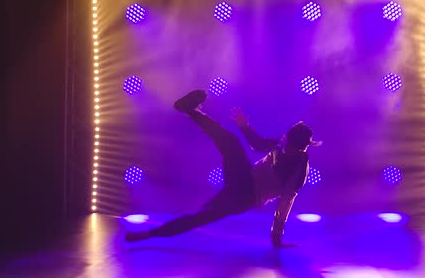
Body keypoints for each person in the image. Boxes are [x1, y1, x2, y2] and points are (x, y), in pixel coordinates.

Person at [125, 90, 320, 247]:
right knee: (231, 143)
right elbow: (258, 145)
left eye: (289, 146)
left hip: (245, 196)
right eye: (285, 140)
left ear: (299, 147)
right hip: (242, 179)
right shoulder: (283, 142)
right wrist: (244, 126)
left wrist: (276, 237)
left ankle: (146, 235)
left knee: (198, 217)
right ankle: (191, 110)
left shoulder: (300, 168)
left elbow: (286, 202)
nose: (283, 145)